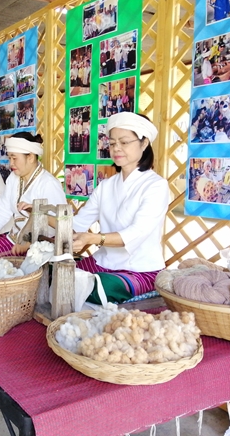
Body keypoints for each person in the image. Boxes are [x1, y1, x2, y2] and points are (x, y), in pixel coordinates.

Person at [71, 112, 170, 303]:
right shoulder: (106, 186)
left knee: (100, 287)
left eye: (124, 142)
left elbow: (135, 233)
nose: (116, 148)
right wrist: (41, 216)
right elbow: (78, 223)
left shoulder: (156, 185)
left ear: (144, 143)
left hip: (140, 269)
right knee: (58, 276)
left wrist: (93, 238)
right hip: (103, 261)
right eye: (112, 143)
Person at [0, 131, 67, 258]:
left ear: (30, 157)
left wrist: (28, 244)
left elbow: (60, 224)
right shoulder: (13, 178)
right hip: (14, 239)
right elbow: (3, 209)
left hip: (40, 246)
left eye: (14, 158)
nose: (11, 164)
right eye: (9, 158)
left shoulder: (48, 184)